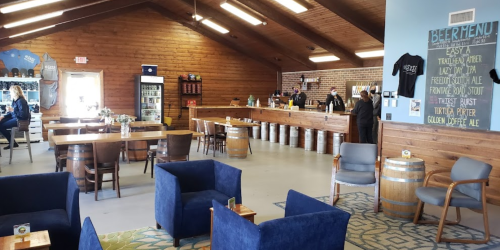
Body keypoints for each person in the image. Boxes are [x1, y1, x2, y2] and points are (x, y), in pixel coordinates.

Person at [0, 85, 30, 149]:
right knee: (1, 121)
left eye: (10, 92)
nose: (10, 93)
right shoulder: (14, 101)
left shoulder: (21, 101)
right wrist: (3, 116)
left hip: (21, 120)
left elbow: (23, 115)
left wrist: (13, 110)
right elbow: (11, 113)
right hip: (15, 118)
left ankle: (12, 143)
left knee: (1, 126)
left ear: (15, 92)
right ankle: (12, 143)